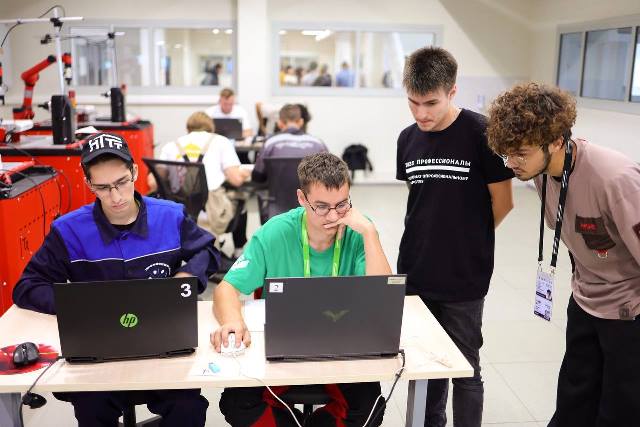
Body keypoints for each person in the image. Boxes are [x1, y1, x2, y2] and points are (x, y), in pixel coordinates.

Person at [12, 132, 219, 427]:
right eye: (103, 187)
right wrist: (76, 305)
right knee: (92, 409)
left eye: (122, 182)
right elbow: (27, 287)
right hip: (98, 351)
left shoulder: (170, 216)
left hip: (163, 344)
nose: (116, 196)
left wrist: (187, 276)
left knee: (188, 409)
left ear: (134, 171)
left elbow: (208, 252)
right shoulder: (68, 231)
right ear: (88, 184)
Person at [486, 82, 640, 427]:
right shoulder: (542, 171)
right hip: (586, 298)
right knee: (574, 398)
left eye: (520, 153)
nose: (511, 164)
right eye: (506, 154)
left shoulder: (615, 179)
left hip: (629, 312)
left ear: (556, 140)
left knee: (620, 409)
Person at [211, 152, 391, 427]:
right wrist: (233, 321)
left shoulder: (359, 231)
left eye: (342, 204)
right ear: (301, 198)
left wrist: (370, 233)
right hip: (285, 346)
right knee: (237, 404)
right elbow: (226, 288)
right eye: (321, 206)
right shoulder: (275, 232)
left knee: (370, 408)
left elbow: (383, 298)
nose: (333, 216)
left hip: (342, 346)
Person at [396, 47, 514, 427]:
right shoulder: (407, 139)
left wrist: (468, 239)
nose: (421, 114)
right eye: (413, 102)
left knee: (465, 368)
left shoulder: (483, 134)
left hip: (465, 276)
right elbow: (421, 201)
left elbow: (504, 203)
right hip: (416, 271)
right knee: (424, 365)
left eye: (431, 103)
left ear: (452, 91)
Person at [157, 112, 250, 257]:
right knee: (241, 199)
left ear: (188, 128)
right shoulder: (221, 141)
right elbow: (236, 180)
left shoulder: (171, 145)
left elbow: (153, 181)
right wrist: (245, 173)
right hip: (211, 209)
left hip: (178, 208)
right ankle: (238, 252)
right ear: (210, 127)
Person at [252, 104, 328, 184]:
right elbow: (329, 173)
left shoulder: (270, 143)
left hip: (278, 191)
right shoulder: (318, 143)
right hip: (309, 191)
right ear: (301, 122)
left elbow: (257, 176)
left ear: (279, 123)